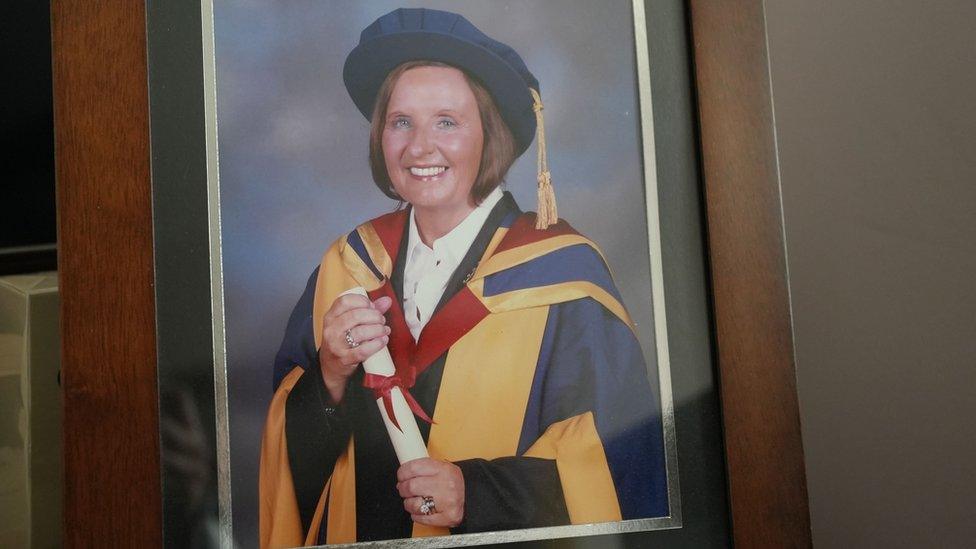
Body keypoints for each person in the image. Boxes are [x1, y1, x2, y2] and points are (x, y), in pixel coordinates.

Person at [258, 8, 667, 547]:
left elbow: (625, 466)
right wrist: (330, 374)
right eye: (401, 121)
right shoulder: (348, 264)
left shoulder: (564, 276)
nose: (419, 147)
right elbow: (290, 458)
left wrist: (477, 492)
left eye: (447, 122)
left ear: (488, 134)